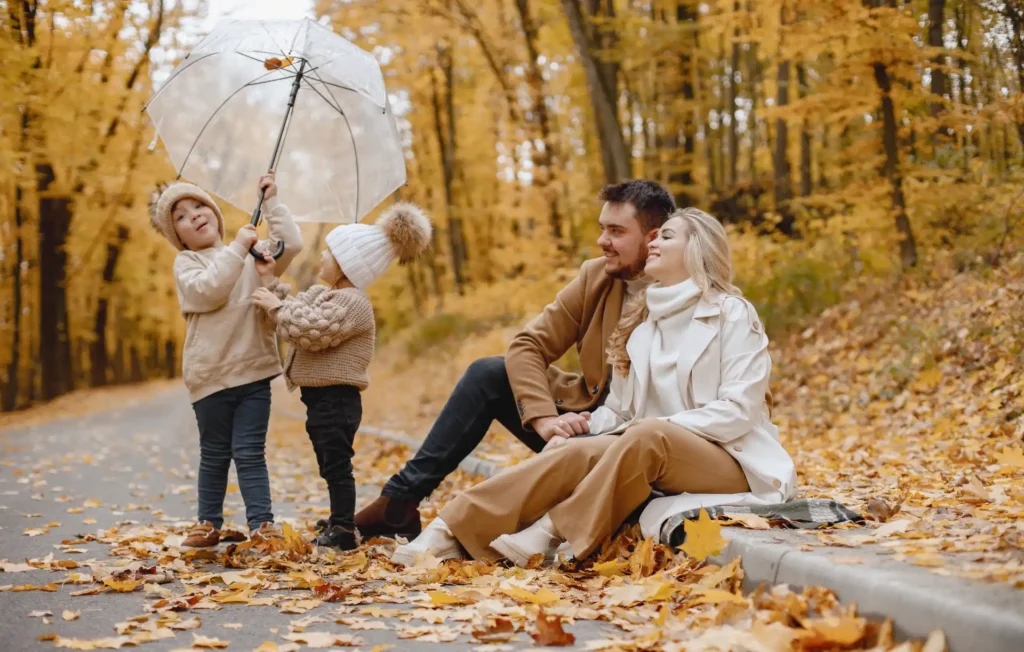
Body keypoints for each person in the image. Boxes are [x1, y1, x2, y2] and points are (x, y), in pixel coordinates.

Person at [391, 208, 796, 566]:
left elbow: (740, 410)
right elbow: (620, 413)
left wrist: (649, 427)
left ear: (697, 251)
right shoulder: (641, 326)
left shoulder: (732, 314)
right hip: (645, 450)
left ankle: (551, 530)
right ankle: (448, 529)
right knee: (576, 450)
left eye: (667, 236)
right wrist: (581, 427)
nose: (654, 243)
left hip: (731, 460)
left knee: (648, 433)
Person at [355, 181, 677, 541]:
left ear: (653, 238)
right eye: (602, 228)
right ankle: (399, 501)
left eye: (616, 231)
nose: (603, 241)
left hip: (640, 444)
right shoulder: (597, 275)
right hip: (588, 423)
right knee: (489, 373)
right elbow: (527, 345)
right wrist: (543, 419)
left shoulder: (690, 291)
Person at [251, 203, 432, 550]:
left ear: (348, 265)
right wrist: (269, 281)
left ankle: (345, 529)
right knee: (327, 461)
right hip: (320, 399)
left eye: (330, 252)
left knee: (337, 465)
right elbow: (299, 309)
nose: (322, 254)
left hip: (338, 400)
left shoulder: (353, 303)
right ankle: (339, 517)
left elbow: (311, 329)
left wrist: (275, 309)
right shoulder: (326, 294)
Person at [149, 172, 303, 548]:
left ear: (214, 212)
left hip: (253, 372)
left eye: (199, 206)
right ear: (178, 236)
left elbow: (291, 245)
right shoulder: (187, 264)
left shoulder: (251, 254)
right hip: (210, 376)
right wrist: (237, 247)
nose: (195, 216)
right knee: (215, 453)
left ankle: (262, 524)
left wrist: (272, 203)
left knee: (250, 452)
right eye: (181, 216)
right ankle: (207, 521)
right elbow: (210, 291)